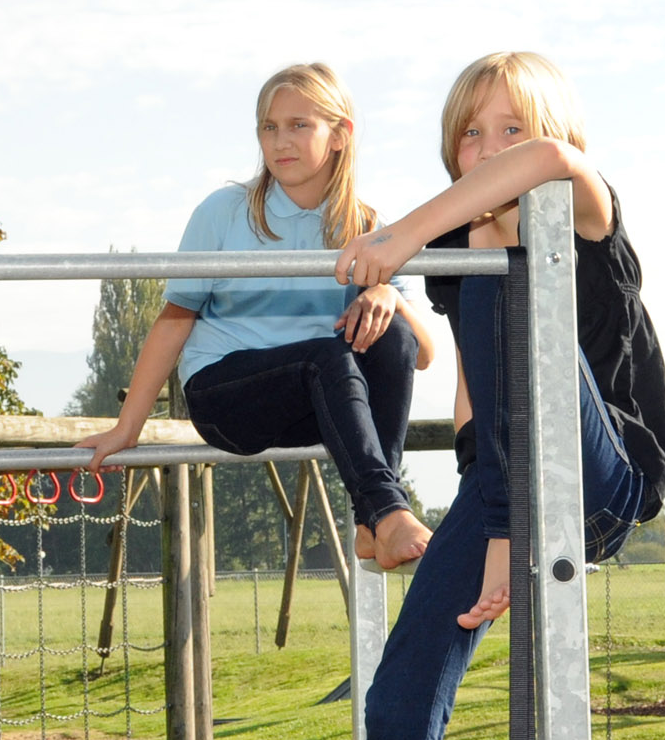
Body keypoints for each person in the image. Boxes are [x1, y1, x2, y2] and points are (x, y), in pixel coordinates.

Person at [323, 52, 665, 740]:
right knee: (397, 708)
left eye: (507, 130)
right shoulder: (466, 256)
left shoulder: (586, 211)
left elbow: (554, 162)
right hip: (502, 487)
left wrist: (397, 238)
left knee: (503, 254)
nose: (489, 152)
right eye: (469, 137)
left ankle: (513, 522)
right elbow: (477, 397)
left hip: (601, 477)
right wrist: (493, 520)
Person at [78, 63, 437, 567]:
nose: (279, 141)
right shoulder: (225, 211)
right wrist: (127, 428)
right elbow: (173, 321)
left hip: (316, 402)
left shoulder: (367, 224)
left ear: (340, 135)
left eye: (298, 125)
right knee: (323, 358)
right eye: (268, 127)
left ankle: (372, 519)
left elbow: (419, 355)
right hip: (226, 397)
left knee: (392, 330)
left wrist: (387, 295)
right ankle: (387, 510)